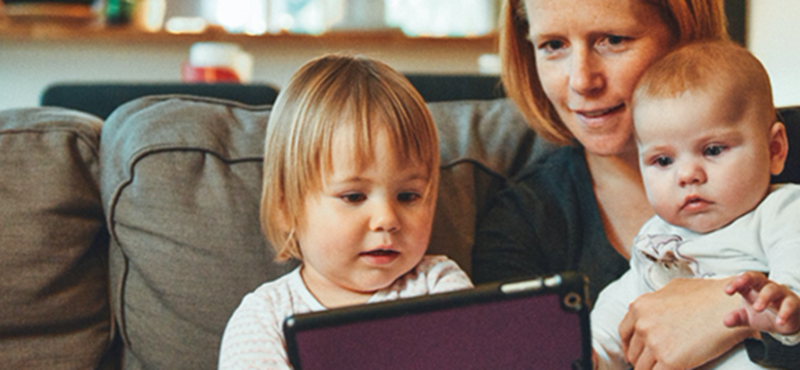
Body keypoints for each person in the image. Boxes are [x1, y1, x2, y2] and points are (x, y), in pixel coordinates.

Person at [471, 0, 800, 368]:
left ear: (683, 33)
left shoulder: (783, 197)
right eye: (553, 45)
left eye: (613, 39)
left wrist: (735, 314)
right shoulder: (521, 224)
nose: (582, 80)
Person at [218, 54, 473, 369]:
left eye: (408, 196)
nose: (387, 219)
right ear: (286, 207)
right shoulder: (265, 318)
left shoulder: (439, 287)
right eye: (353, 196)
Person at [590, 40, 800, 369]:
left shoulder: (782, 211)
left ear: (774, 149)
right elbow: (622, 306)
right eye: (662, 160)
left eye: (713, 150)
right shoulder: (656, 237)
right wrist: (594, 351)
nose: (687, 175)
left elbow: (794, 266)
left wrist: (785, 302)